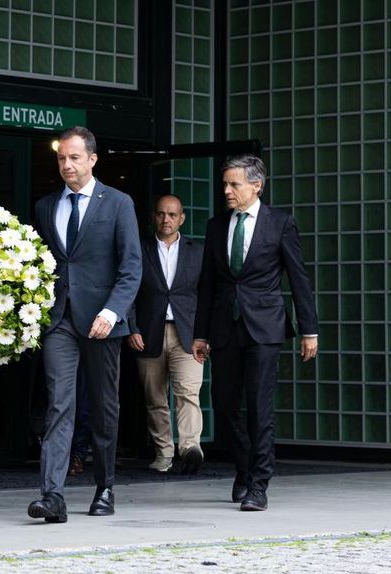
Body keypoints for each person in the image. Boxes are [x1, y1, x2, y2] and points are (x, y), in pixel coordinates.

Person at [191, 154, 318, 512]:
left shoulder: (280, 223)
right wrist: (200, 333)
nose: (227, 191)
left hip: (265, 327)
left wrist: (310, 330)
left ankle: (259, 484)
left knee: (260, 407)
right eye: (225, 184)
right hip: (224, 328)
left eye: (234, 184)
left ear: (256, 185)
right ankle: (244, 467)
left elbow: (299, 278)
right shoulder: (217, 226)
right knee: (226, 404)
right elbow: (208, 285)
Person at [27, 126, 141, 523]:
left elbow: (131, 268)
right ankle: (52, 496)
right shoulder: (45, 206)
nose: (67, 165)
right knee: (59, 403)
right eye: (61, 158)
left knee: (104, 407)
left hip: (103, 321)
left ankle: (105, 485)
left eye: (75, 157)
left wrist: (112, 313)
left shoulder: (118, 203)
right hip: (59, 319)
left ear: (93, 159)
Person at [127, 194, 205, 474]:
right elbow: (129, 291)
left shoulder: (198, 251)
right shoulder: (139, 249)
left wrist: (204, 334)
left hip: (190, 334)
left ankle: (189, 449)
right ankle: (164, 455)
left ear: (181, 218)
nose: (166, 219)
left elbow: (206, 295)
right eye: (161, 214)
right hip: (148, 333)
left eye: (172, 214)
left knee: (189, 393)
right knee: (155, 398)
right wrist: (131, 327)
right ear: (154, 217)